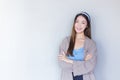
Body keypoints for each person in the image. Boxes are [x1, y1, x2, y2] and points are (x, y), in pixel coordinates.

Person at [58, 12, 97, 80]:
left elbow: (91, 65)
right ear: (74, 23)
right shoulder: (66, 41)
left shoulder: (91, 44)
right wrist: (82, 62)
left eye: (83, 23)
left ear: (87, 25)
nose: (79, 25)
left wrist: (69, 60)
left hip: (85, 77)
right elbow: (62, 63)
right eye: (77, 21)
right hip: (67, 77)